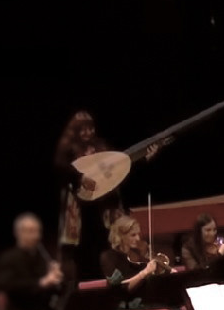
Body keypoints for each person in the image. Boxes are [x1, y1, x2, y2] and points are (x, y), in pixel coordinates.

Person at [53, 110, 160, 281]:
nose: (88, 133)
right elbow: (61, 170)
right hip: (83, 209)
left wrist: (144, 159)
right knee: (86, 250)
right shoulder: (68, 151)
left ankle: (116, 282)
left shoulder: (103, 146)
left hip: (107, 206)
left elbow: (120, 171)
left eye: (90, 128)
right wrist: (80, 177)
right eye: (83, 129)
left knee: (109, 246)